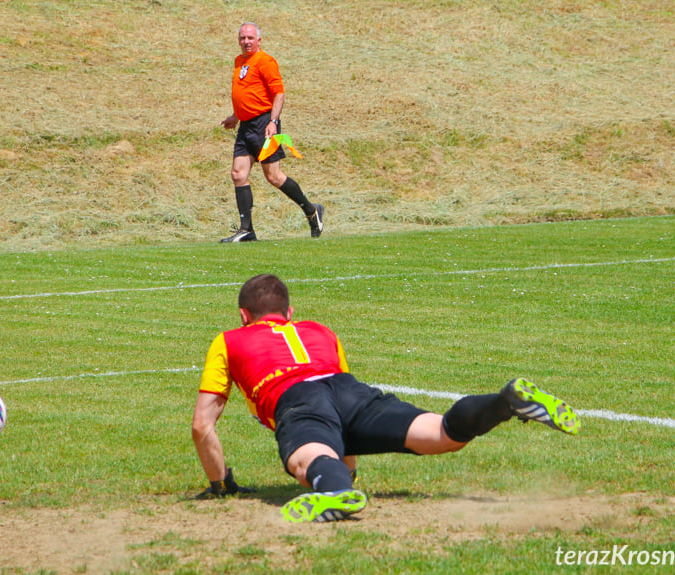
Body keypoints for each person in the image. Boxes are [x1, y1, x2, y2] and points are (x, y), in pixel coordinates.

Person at [191, 274, 580, 523]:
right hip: (351, 390)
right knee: (443, 432)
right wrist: (348, 464)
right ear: (290, 312)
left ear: (243, 316)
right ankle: (504, 403)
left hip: (296, 399)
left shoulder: (229, 340)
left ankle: (336, 491)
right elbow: (341, 410)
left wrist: (220, 484)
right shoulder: (320, 331)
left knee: (307, 460)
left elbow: (202, 424)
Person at [218, 22, 324, 243]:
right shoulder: (240, 61)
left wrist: (273, 122)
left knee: (273, 176)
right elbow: (248, 93)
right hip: (246, 126)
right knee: (238, 174)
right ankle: (246, 230)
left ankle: (312, 211)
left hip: (264, 125)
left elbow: (279, 94)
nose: (246, 42)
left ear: (258, 40)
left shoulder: (265, 61)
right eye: (242, 38)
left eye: (250, 38)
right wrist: (235, 116)